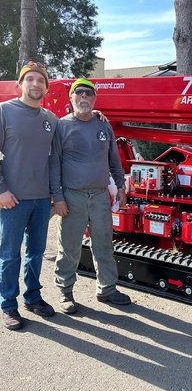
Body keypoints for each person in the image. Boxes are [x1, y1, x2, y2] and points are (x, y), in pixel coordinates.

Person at [50, 78, 131, 314]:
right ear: (71, 97)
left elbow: (114, 161)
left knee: (104, 245)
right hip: (71, 197)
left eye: (89, 94)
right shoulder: (61, 126)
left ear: (94, 99)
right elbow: (54, 165)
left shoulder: (103, 126)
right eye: (79, 92)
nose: (84, 97)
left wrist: (121, 187)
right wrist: (58, 197)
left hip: (99, 196)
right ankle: (65, 292)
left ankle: (107, 289)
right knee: (70, 247)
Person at [0, 60, 57, 330]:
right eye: (30, 79)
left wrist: (96, 114)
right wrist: (1, 190)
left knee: (36, 252)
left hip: (42, 200)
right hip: (13, 200)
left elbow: (57, 158)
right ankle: (8, 305)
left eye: (40, 80)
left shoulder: (50, 120)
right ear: (20, 84)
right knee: (10, 254)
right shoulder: (4, 112)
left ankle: (32, 297)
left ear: (46, 87)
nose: (35, 84)